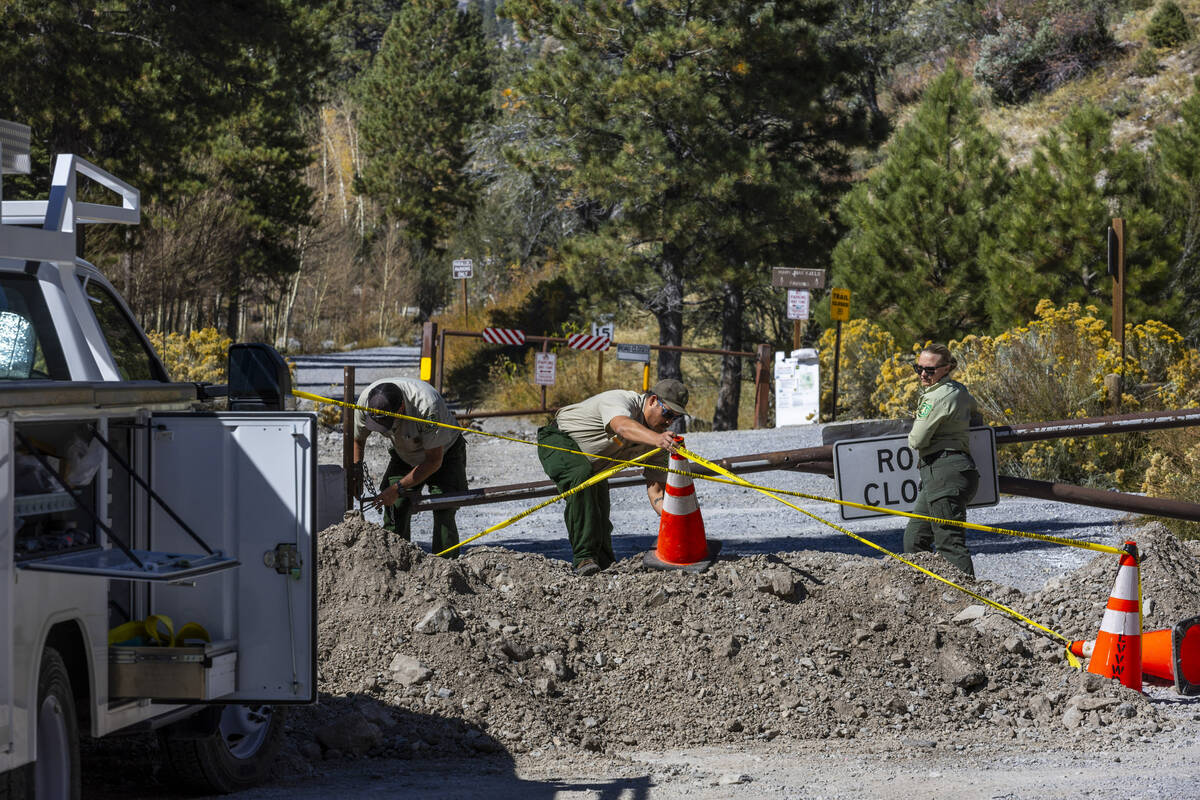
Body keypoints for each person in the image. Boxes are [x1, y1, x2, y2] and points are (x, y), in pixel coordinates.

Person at [538, 379, 689, 576]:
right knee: (581, 479)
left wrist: (673, 520)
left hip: (593, 465)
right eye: (667, 414)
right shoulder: (621, 400)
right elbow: (622, 426)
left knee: (600, 509)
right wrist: (657, 439)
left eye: (675, 418)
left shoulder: (657, 442)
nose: (669, 422)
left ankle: (604, 562)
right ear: (652, 401)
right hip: (559, 441)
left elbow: (657, 490)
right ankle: (584, 559)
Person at [351, 378, 466, 557]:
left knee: (444, 505)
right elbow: (358, 439)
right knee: (395, 505)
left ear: (401, 409)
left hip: (445, 451)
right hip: (404, 452)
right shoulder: (366, 402)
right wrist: (356, 473)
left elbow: (434, 461)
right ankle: (397, 561)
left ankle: (446, 567)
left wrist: (398, 487)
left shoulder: (427, 406)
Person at [903, 343, 981, 576]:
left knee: (950, 544)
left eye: (930, 370)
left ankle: (969, 601)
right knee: (914, 539)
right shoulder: (959, 391)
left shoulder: (935, 397)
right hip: (946, 473)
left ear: (946, 368)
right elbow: (976, 414)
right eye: (918, 369)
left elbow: (916, 440)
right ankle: (932, 598)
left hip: (944, 472)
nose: (923, 375)